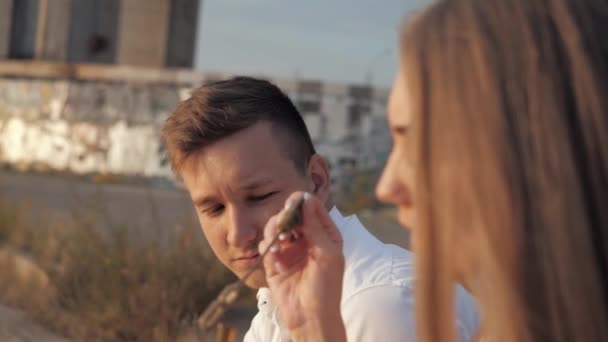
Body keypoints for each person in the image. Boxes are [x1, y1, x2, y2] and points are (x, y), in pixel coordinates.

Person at [259, 0, 608, 341]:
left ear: (533, 146)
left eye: (417, 140)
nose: (387, 188)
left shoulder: (389, 301)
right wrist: (314, 327)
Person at [161, 76, 479, 341]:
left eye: (259, 196)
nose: (238, 233)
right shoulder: (274, 308)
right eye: (214, 208)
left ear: (317, 180)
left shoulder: (381, 306)